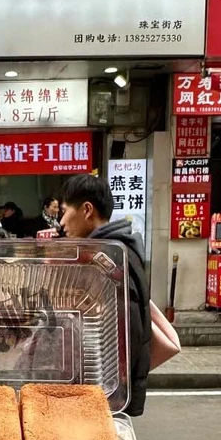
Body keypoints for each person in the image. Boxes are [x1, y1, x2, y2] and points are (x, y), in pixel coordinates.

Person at [59, 173, 151, 417]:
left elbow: (127, 330)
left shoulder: (107, 259)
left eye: (65, 211)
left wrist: (107, 394)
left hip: (102, 393)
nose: (61, 222)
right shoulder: (115, 249)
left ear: (87, 210)